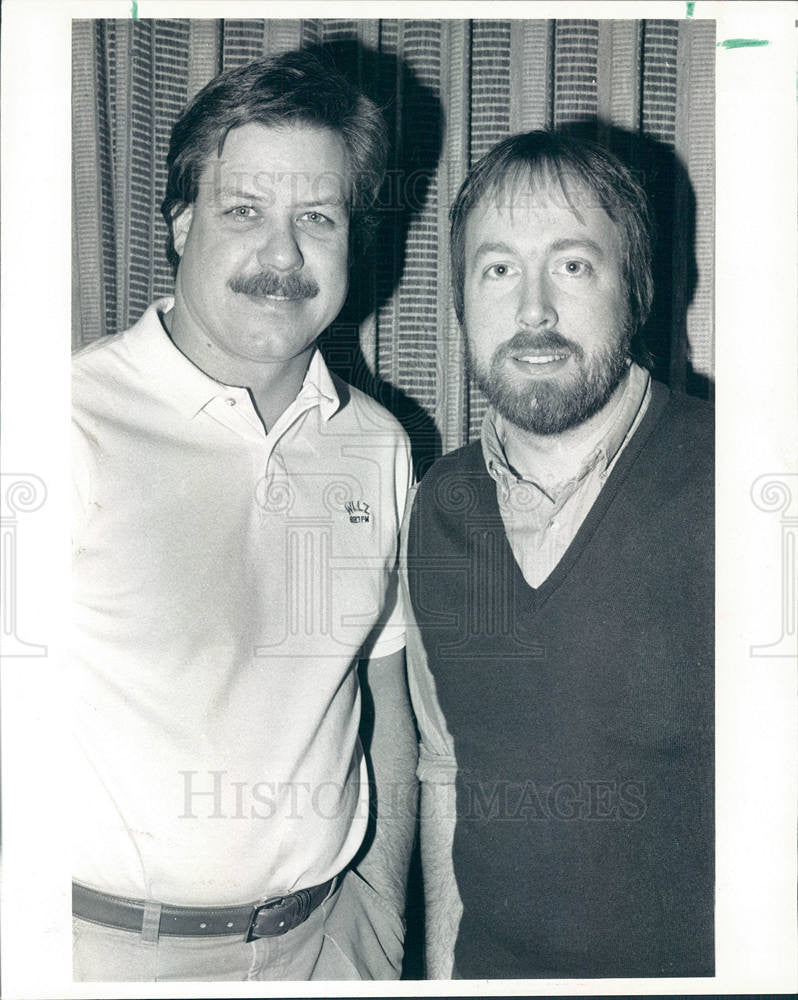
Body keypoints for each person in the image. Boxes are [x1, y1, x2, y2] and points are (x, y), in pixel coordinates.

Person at [71, 51, 417, 982]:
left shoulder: (378, 444)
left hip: (328, 947)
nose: (283, 256)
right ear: (181, 221)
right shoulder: (60, 419)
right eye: (244, 211)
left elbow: (380, 693)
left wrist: (379, 914)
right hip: (99, 957)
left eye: (317, 217)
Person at [403, 130, 714, 979]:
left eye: (573, 266)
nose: (533, 310)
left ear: (638, 290)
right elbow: (447, 769)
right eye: (498, 269)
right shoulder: (440, 506)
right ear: (462, 300)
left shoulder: (743, 485)